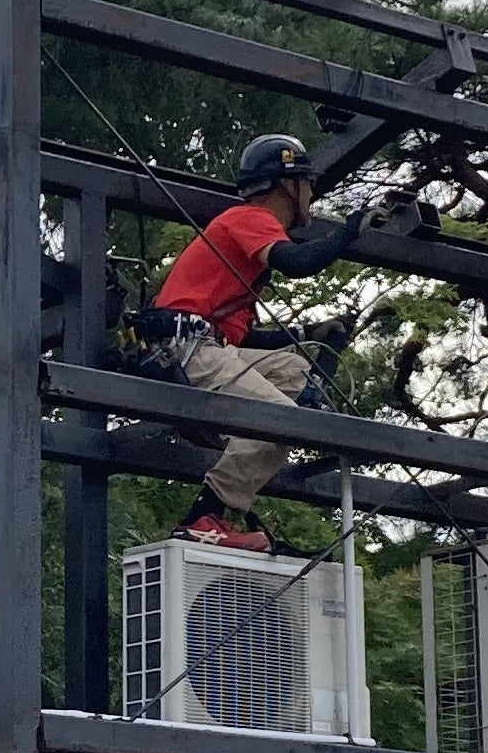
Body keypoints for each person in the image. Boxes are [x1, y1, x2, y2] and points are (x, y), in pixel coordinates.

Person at [151, 134, 399, 552]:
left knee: (293, 370)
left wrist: (306, 335)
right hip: (188, 349)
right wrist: (349, 230)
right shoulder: (250, 217)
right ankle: (203, 518)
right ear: (288, 185)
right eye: (308, 183)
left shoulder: (242, 243)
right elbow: (299, 263)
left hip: (202, 347)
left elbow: (244, 337)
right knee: (281, 420)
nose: (312, 194)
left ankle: (256, 440)